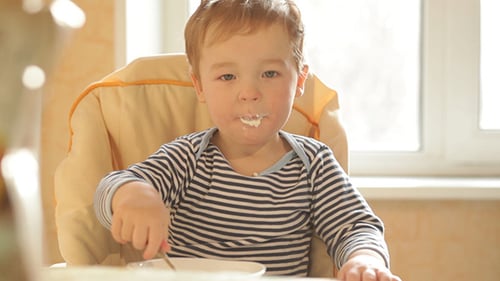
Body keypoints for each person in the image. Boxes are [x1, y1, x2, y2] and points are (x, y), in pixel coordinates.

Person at [94, 0, 401, 280]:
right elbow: (113, 186)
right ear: (199, 87)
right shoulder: (187, 158)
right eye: (227, 77)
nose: (249, 92)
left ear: (299, 82)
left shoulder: (314, 164)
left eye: (269, 74)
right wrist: (132, 194)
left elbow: (355, 227)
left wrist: (365, 259)